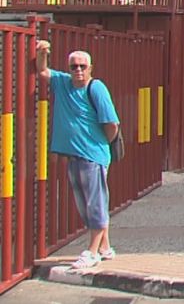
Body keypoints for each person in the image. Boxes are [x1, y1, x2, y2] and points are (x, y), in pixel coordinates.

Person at [33, 40, 120, 270]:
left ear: (91, 68)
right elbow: (42, 71)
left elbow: (112, 124)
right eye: (74, 66)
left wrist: (99, 146)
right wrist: (42, 52)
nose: (78, 70)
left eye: (82, 66)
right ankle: (104, 247)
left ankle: (91, 252)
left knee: (94, 203)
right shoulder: (63, 83)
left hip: (93, 156)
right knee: (90, 202)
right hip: (76, 156)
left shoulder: (96, 88)